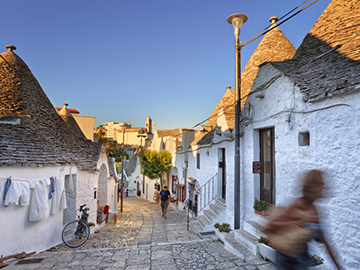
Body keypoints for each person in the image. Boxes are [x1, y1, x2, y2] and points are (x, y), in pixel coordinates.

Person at [263, 170, 341, 270]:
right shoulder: (298, 204)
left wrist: (339, 267)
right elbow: (270, 225)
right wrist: (296, 223)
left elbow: (325, 242)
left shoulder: (315, 211)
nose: (324, 188)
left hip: (301, 259)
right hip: (285, 259)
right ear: (312, 187)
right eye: (320, 184)